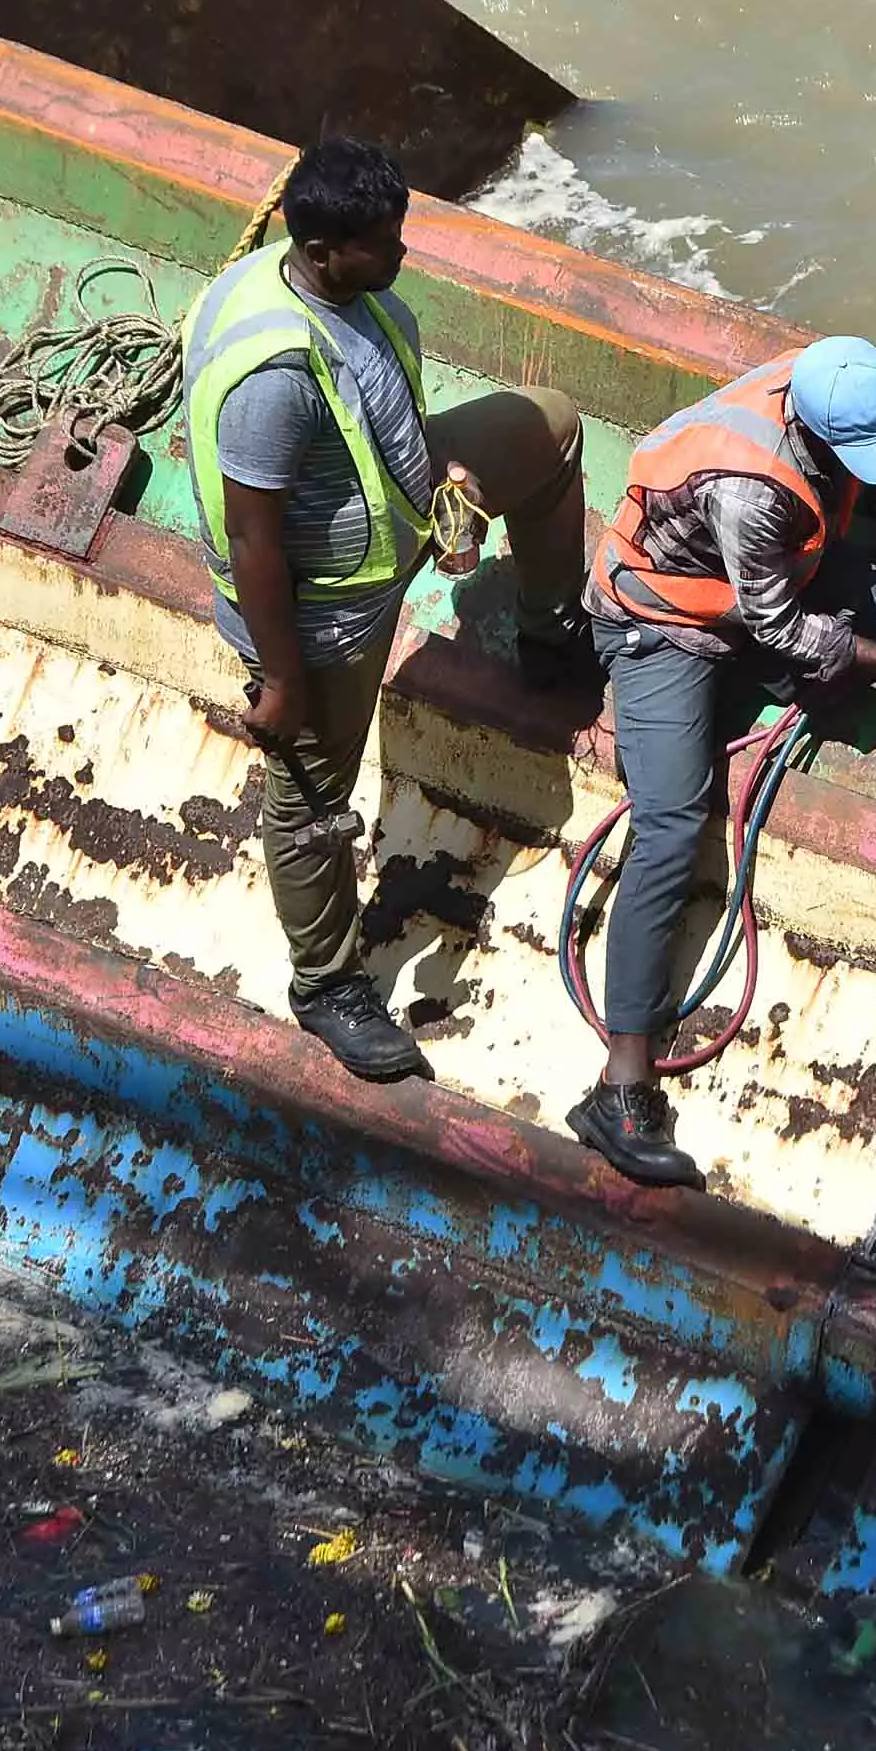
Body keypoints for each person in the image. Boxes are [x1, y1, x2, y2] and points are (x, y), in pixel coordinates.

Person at [569, 335, 876, 1188]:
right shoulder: (752, 488)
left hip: (783, 570)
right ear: (816, 434)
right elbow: (782, 630)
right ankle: (620, 1086)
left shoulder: (852, 392)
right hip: (668, 622)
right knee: (674, 825)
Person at [182, 134, 600, 1086]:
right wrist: (283, 680)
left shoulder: (349, 292)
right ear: (323, 249)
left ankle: (550, 630)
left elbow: (375, 414)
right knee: (312, 803)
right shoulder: (274, 380)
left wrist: (440, 477)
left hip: (395, 521)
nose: (402, 254)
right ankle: (327, 985)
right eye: (383, 241)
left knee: (551, 428)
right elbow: (254, 543)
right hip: (325, 618)